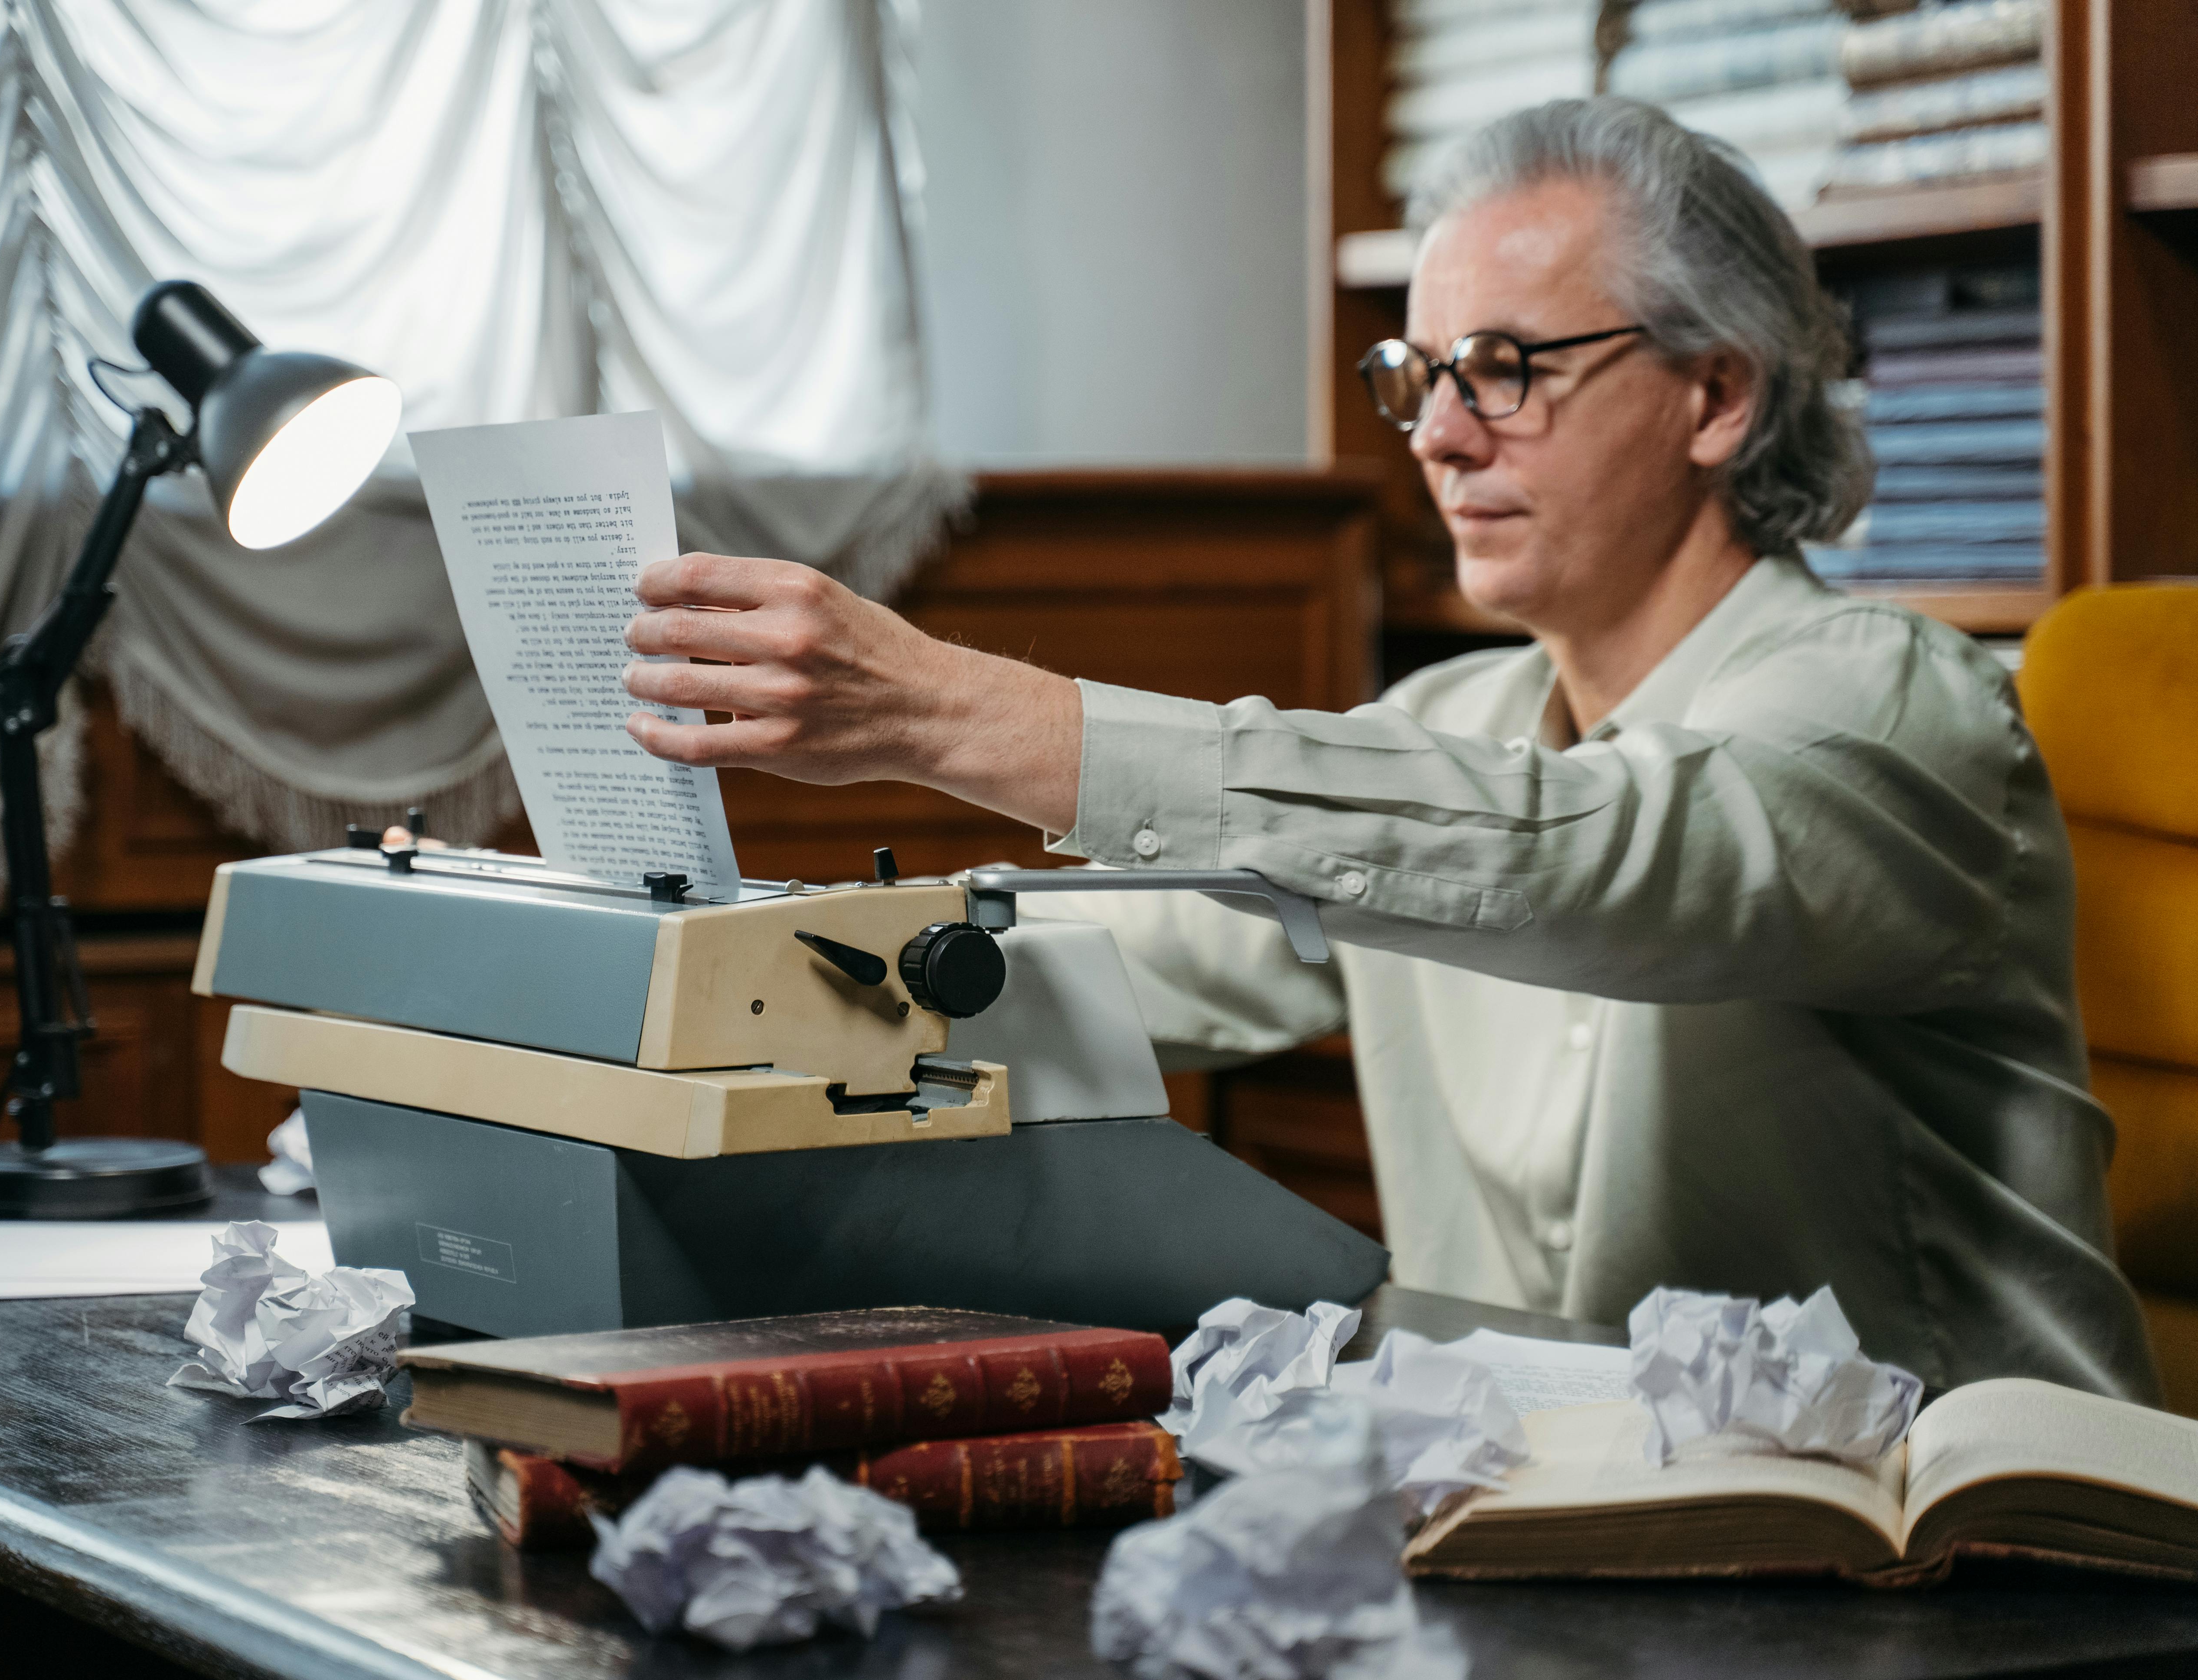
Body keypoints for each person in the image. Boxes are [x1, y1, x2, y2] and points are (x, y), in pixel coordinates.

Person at [617, 98, 2160, 1401]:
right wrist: (700, 968)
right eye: (1417, 377)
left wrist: (951, 709)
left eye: (1502, 367)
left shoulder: (1905, 708)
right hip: (1567, 1542)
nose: (1433, 436)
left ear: (1717, 392)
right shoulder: (1447, 731)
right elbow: (1085, 966)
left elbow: (1582, 853)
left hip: (1972, 1570)